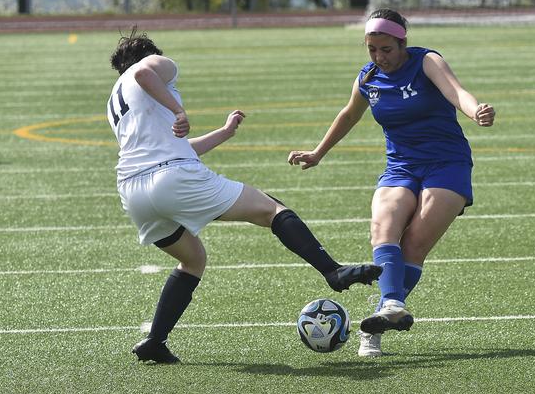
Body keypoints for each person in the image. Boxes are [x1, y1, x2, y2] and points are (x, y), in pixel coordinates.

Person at [107, 29, 381, 364]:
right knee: (270, 208)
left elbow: (171, 147)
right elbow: (145, 72)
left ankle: (154, 341)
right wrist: (179, 111)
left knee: (193, 259)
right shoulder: (152, 66)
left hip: (133, 192)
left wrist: (223, 133)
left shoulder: (116, 101)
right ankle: (332, 271)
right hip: (171, 177)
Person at [287, 9, 495, 358]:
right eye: (372, 49)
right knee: (383, 227)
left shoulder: (426, 61)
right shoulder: (368, 77)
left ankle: (378, 324)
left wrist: (476, 112)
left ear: (402, 43)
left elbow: (457, 93)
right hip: (400, 165)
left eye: (386, 49)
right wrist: (318, 153)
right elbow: (350, 113)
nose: (379, 57)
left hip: (447, 164)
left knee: (414, 243)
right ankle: (391, 309)